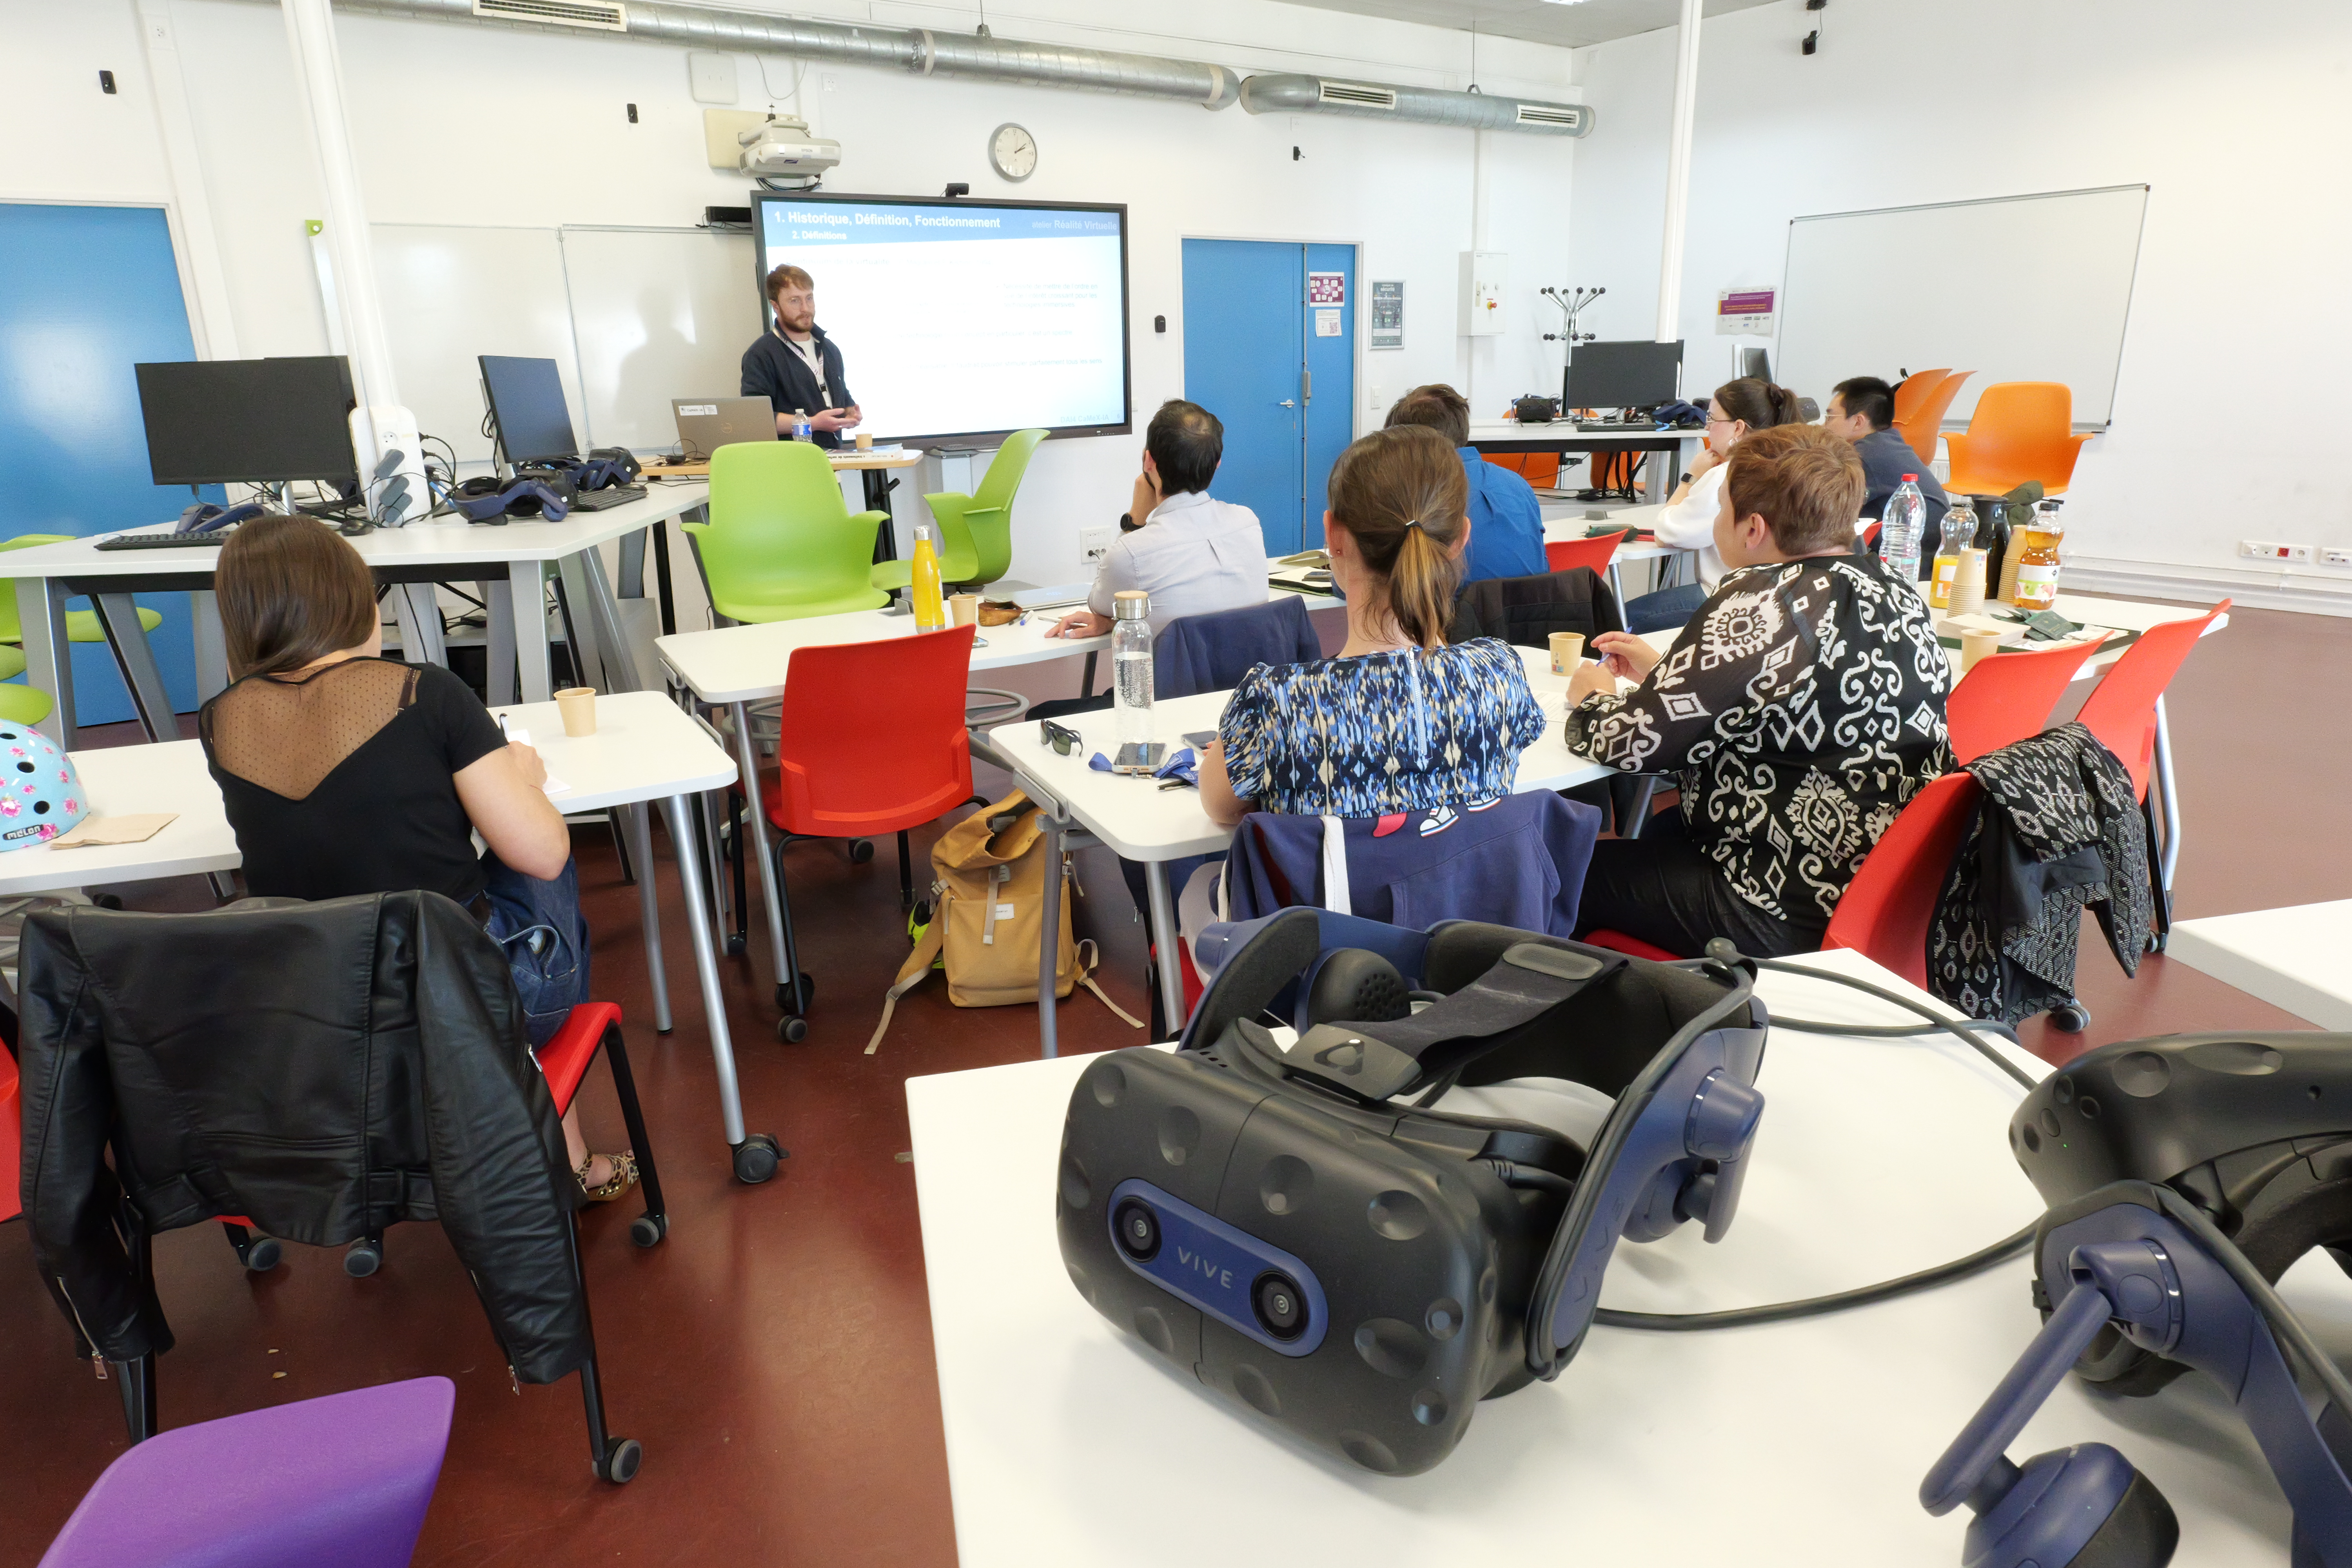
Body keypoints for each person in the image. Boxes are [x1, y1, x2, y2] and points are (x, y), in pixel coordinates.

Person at [198, 514, 636, 1201]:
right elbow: (544, 855)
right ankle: (570, 1157)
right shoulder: (426, 693)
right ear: (356, 603)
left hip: (325, 1021)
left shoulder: (219, 720)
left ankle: (554, 1153)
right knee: (534, 855)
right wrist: (520, 777)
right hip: (470, 1010)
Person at [1562, 423, 1951, 958]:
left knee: (1559, 869)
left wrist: (1593, 697)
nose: (1718, 522)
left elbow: (1633, 744)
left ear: (1753, 529)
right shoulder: (1895, 590)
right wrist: (1666, 673)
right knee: (1663, 830)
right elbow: (1793, 695)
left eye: (1722, 509)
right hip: (1877, 887)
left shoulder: (1763, 600)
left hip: (1776, 898)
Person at [1202, 425, 1546, 827]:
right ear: (1460, 539)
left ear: (1333, 535)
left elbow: (1220, 808)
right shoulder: (1500, 675)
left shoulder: (1275, 704)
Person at [1047, 399, 1267, 646]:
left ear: (1148, 461)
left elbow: (1101, 605)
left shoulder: (1131, 552)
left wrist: (1135, 520)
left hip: (1177, 674)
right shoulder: (1248, 522)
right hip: (1255, 671)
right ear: (1217, 463)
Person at [1624, 376, 1799, 633]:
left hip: (1727, 597)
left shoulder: (1727, 474)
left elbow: (1667, 534)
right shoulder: (1789, 467)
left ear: (1738, 428)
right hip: (1779, 600)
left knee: (1619, 617)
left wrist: (1691, 478)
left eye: (1712, 419)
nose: (1707, 427)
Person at [1382, 383, 1546, 583]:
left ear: (1405, 443)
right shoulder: (1518, 484)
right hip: (1530, 603)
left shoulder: (1412, 494)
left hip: (1450, 603)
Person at [1822, 374, 1951, 571]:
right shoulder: (1886, 442)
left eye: (1830, 418)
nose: (1824, 426)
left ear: (1858, 422)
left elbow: (1820, 505)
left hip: (1915, 561)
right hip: (1927, 552)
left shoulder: (1865, 456)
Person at [740, 263, 862, 448]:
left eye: (809, 298)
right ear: (775, 306)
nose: (806, 308)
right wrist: (813, 423)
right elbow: (756, 419)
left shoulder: (830, 349)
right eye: (795, 301)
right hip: (788, 461)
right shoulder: (761, 354)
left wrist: (850, 412)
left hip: (832, 459)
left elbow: (842, 398)